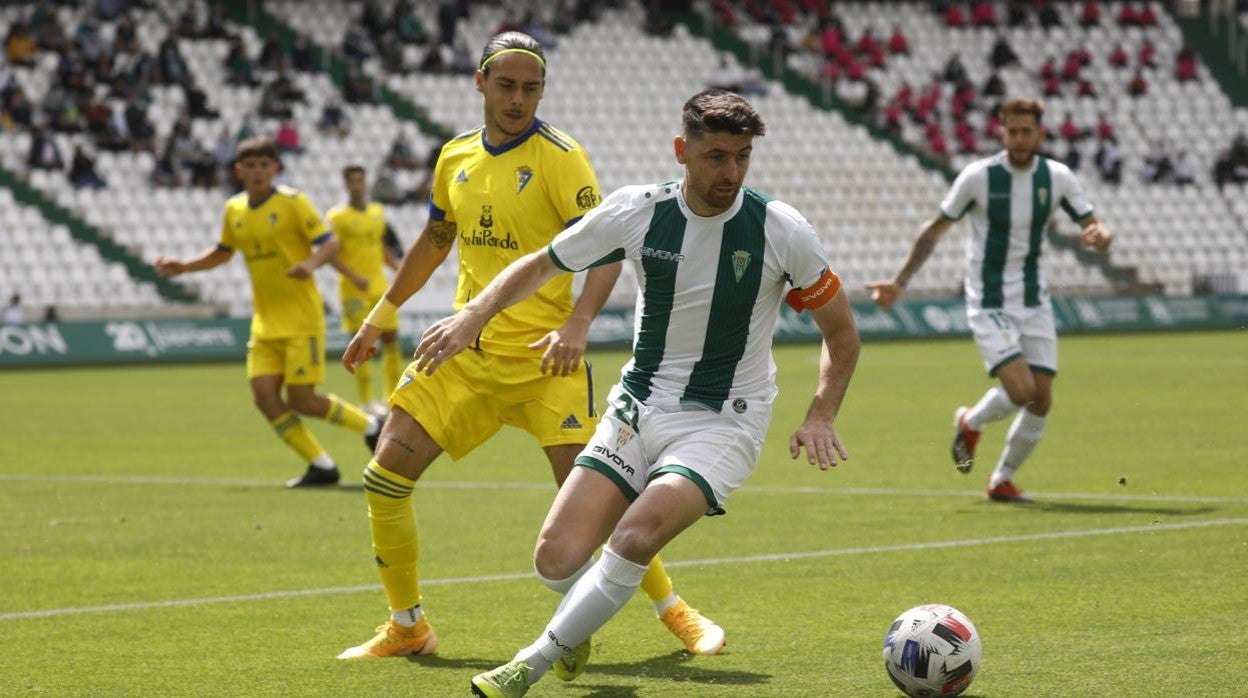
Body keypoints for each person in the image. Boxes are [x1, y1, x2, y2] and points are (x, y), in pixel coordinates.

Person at [337, 31, 724, 663]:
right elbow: (435, 239)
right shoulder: (453, 156)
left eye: (531, 87)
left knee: (603, 498)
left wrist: (577, 325)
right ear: (480, 83)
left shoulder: (562, 158)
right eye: (506, 85)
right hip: (465, 354)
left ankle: (675, 612)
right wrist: (381, 316)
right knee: (384, 477)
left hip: (548, 361)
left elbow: (606, 248)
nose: (518, 99)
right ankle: (408, 626)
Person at [459, 87, 859, 697]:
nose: (732, 173)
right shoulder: (638, 211)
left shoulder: (782, 229)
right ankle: (574, 628)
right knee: (555, 560)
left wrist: (821, 414)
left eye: (743, 157)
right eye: (717, 157)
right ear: (682, 151)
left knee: (635, 537)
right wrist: (473, 316)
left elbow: (842, 333)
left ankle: (528, 665)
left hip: (722, 421)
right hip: (637, 408)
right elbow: (542, 264)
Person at [866, 97, 1112, 503]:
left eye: (1026, 131)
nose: (1019, 138)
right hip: (989, 300)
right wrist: (899, 282)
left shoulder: (1057, 177)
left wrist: (1102, 237)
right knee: (1021, 390)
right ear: (1002, 133)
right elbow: (934, 230)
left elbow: (1095, 226)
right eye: (1012, 131)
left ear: (1040, 134)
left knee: (1042, 399)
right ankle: (972, 421)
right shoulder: (978, 177)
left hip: (1034, 299)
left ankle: (1001, 479)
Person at [154, 136, 382, 487]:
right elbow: (223, 251)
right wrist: (183, 267)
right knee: (264, 396)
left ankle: (370, 426)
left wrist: (310, 264)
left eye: (264, 165)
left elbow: (330, 243)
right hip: (264, 322)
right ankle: (321, 465)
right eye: (251, 165)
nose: (258, 171)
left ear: (275, 168)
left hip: (302, 318)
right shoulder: (234, 209)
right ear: (239, 170)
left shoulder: (293, 202)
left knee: (302, 400)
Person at [327, 165, 403, 414]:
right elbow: (330, 254)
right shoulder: (337, 216)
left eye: (360, 180)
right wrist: (353, 277)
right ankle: (367, 401)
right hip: (353, 289)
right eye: (353, 181)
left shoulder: (377, 212)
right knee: (361, 344)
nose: (357, 185)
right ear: (345, 184)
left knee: (391, 338)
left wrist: (398, 268)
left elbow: (379, 246)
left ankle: (391, 396)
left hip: (379, 285)